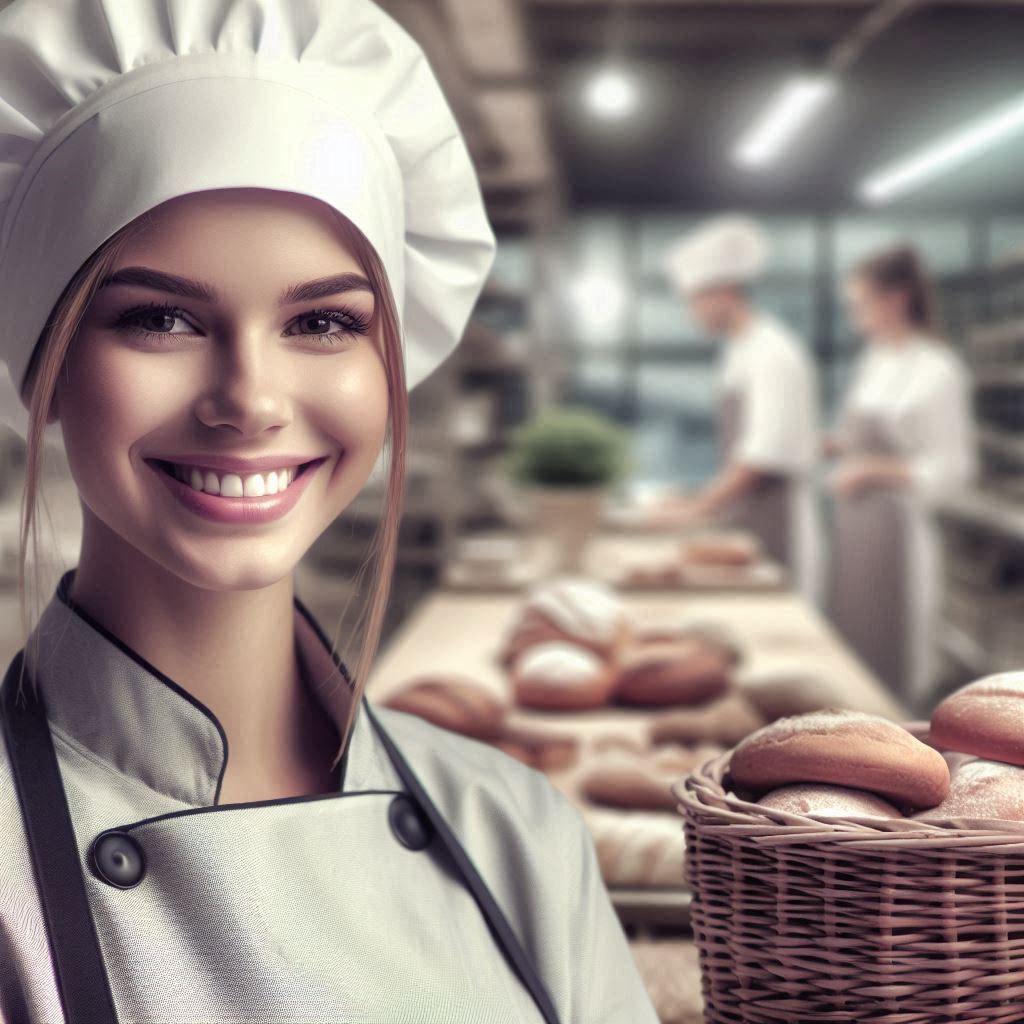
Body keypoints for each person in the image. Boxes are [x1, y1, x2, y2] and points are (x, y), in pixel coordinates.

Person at [0, 2, 659, 1022]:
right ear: (44, 356)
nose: (250, 399)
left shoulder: (520, 834)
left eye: (322, 321)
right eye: (160, 317)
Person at [829, 243, 976, 708]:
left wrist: (876, 470)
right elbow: (862, 437)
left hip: (901, 541)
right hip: (855, 537)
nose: (857, 318)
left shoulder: (938, 369)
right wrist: (837, 445)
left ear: (896, 299)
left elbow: (954, 466)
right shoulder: (872, 361)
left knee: (889, 683)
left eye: (862, 305)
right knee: (849, 665)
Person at [658, 215, 822, 604]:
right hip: (750, 516)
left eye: (695, 299)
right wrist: (693, 499)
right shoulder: (739, 351)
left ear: (727, 292)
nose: (691, 312)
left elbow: (759, 458)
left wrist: (697, 508)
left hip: (780, 519)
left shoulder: (773, 351)